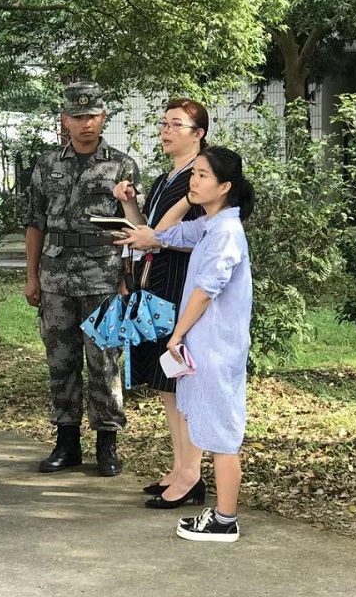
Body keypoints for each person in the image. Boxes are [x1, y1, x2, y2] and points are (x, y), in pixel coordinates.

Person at [116, 146, 254, 542]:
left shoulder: (226, 233)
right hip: (205, 345)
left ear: (225, 186)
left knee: (224, 436)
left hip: (217, 348)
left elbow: (205, 290)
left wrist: (176, 334)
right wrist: (151, 229)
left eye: (203, 175)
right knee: (213, 429)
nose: (194, 181)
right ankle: (221, 515)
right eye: (194, 173)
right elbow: (166, 234)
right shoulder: (210, 225)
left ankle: (225, 520)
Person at [23, 81, 142, 476]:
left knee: (104, 361)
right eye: (77, 116)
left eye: (92, 115)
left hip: (104, 276)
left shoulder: (122, 165)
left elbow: (135, 227)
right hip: (56, 277)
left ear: (103, 117)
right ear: (65, 120)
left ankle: (107, 444)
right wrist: (31, 276)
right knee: (61, 361)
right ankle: (67, 443)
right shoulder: (46, 165)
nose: (85, 123)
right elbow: (35, 223)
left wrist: (127, 278)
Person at [112, 99, 210, 508]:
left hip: (181, 286)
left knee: (181, 382)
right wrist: (128, 204)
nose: (166, 131)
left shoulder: (201, 176)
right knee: (166, 384)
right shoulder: (166, 177)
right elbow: (147, 232)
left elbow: (202, 234)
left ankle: (192, 474)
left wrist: (157, 239)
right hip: (155, 285)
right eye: (164, 123)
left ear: (198, 133)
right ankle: (180, 467)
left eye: (176, 124)